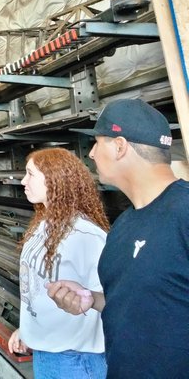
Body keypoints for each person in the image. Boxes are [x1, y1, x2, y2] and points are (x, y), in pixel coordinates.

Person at [48, 99, 189, 377]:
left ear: (119, 146)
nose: (91, 154)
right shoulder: (124, 225)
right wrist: (91, 299)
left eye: (97, 143)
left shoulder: (185, 213)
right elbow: (146, 301)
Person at [7, 148, 109, 378]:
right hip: (46, 353)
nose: (23, 181)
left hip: (76, 359)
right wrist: (27, 331)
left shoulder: (86, 236)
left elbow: (110, 301)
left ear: (55, 179)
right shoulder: (43, 226)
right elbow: (37, 291)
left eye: (30, 174)